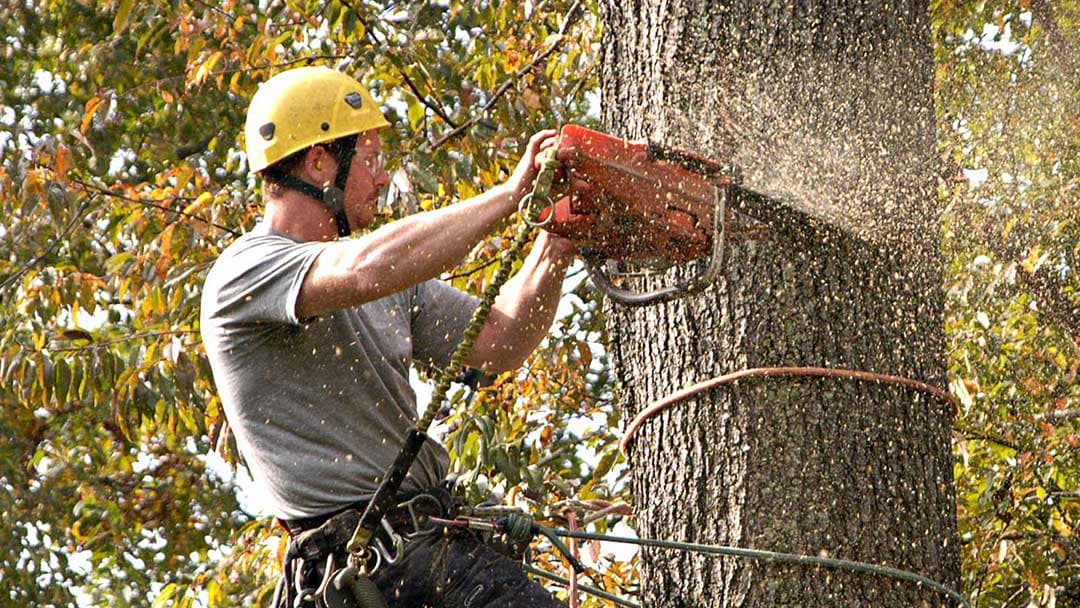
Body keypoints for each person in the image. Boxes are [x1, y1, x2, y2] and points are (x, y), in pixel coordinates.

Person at [200, 66, 574, 607]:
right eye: (370, 160)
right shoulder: (247, 272)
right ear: (320, 162)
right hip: (368, 567)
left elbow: (502, 340)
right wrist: (511, 193)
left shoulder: (387, 282)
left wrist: (555, 243)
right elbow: (365, 269)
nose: (380, 180)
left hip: (430, 547)